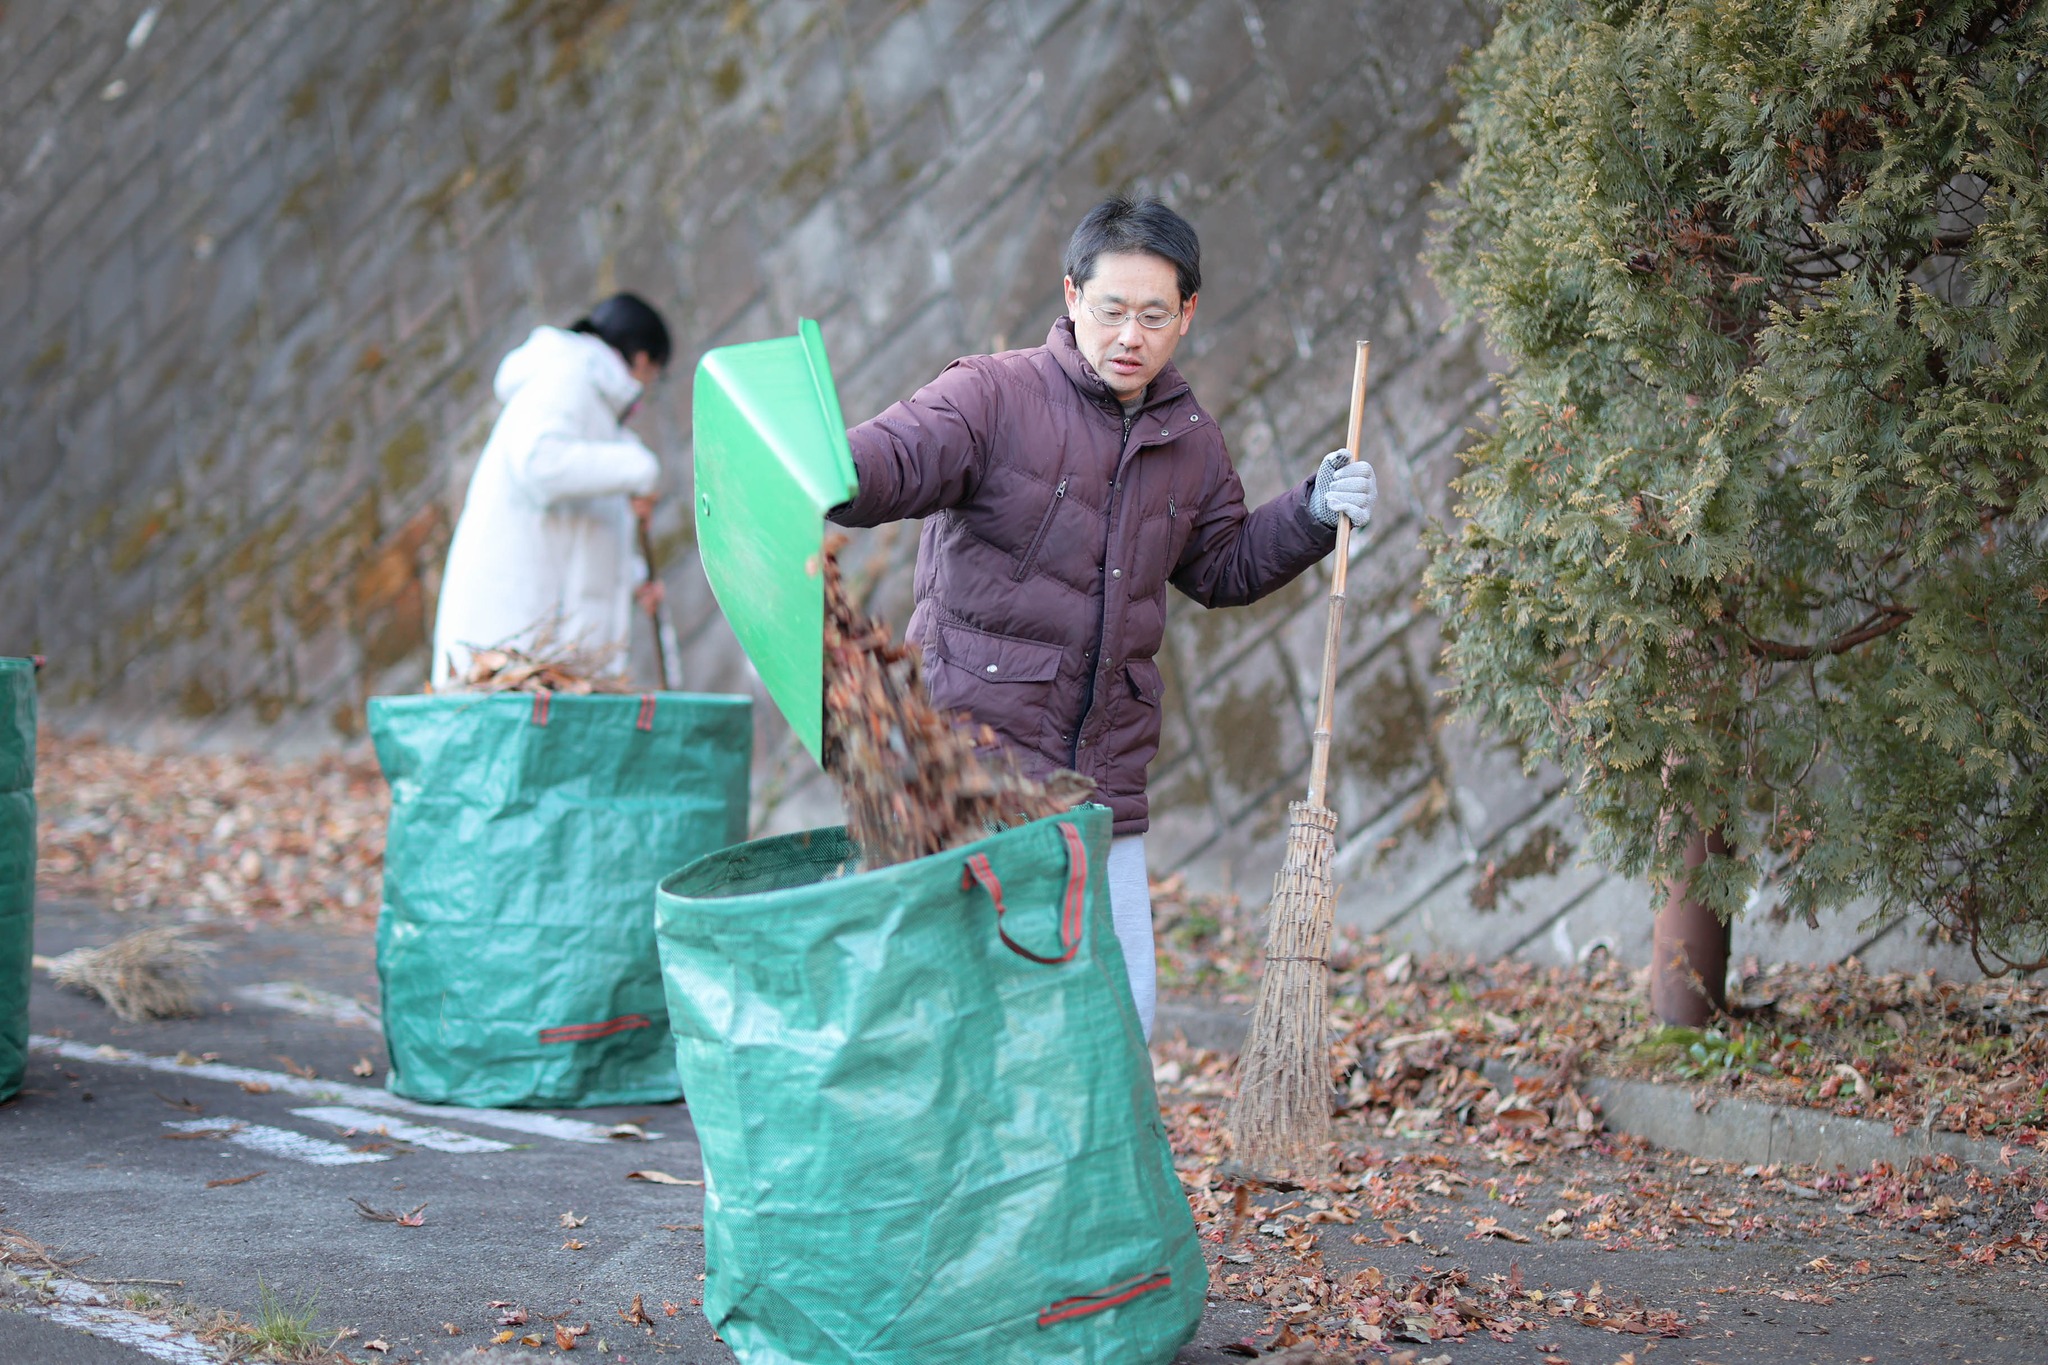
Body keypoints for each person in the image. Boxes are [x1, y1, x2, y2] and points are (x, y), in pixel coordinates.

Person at [831, 197, 1376, 1037]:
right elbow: (896, 458)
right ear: (1072, 295)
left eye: (1155, 315)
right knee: (954, 1011)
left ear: (1187, 315)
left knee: (1123, 1016)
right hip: (970, 771)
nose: (1131, 335)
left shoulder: (1189, 441)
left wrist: (1311, 509)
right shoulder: (990, 395)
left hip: (1102, 777)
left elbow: (1224, 565)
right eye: (1113, 309)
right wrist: (824, 467)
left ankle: (1079, 1168)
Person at [431, 293, 673, 688]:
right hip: (507, 644)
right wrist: (638, 468)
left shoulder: (599, 412)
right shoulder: (569, 374)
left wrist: (634, 578)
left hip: (542, 660)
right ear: (644, 359)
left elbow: (578, 529)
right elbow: (540, 463)